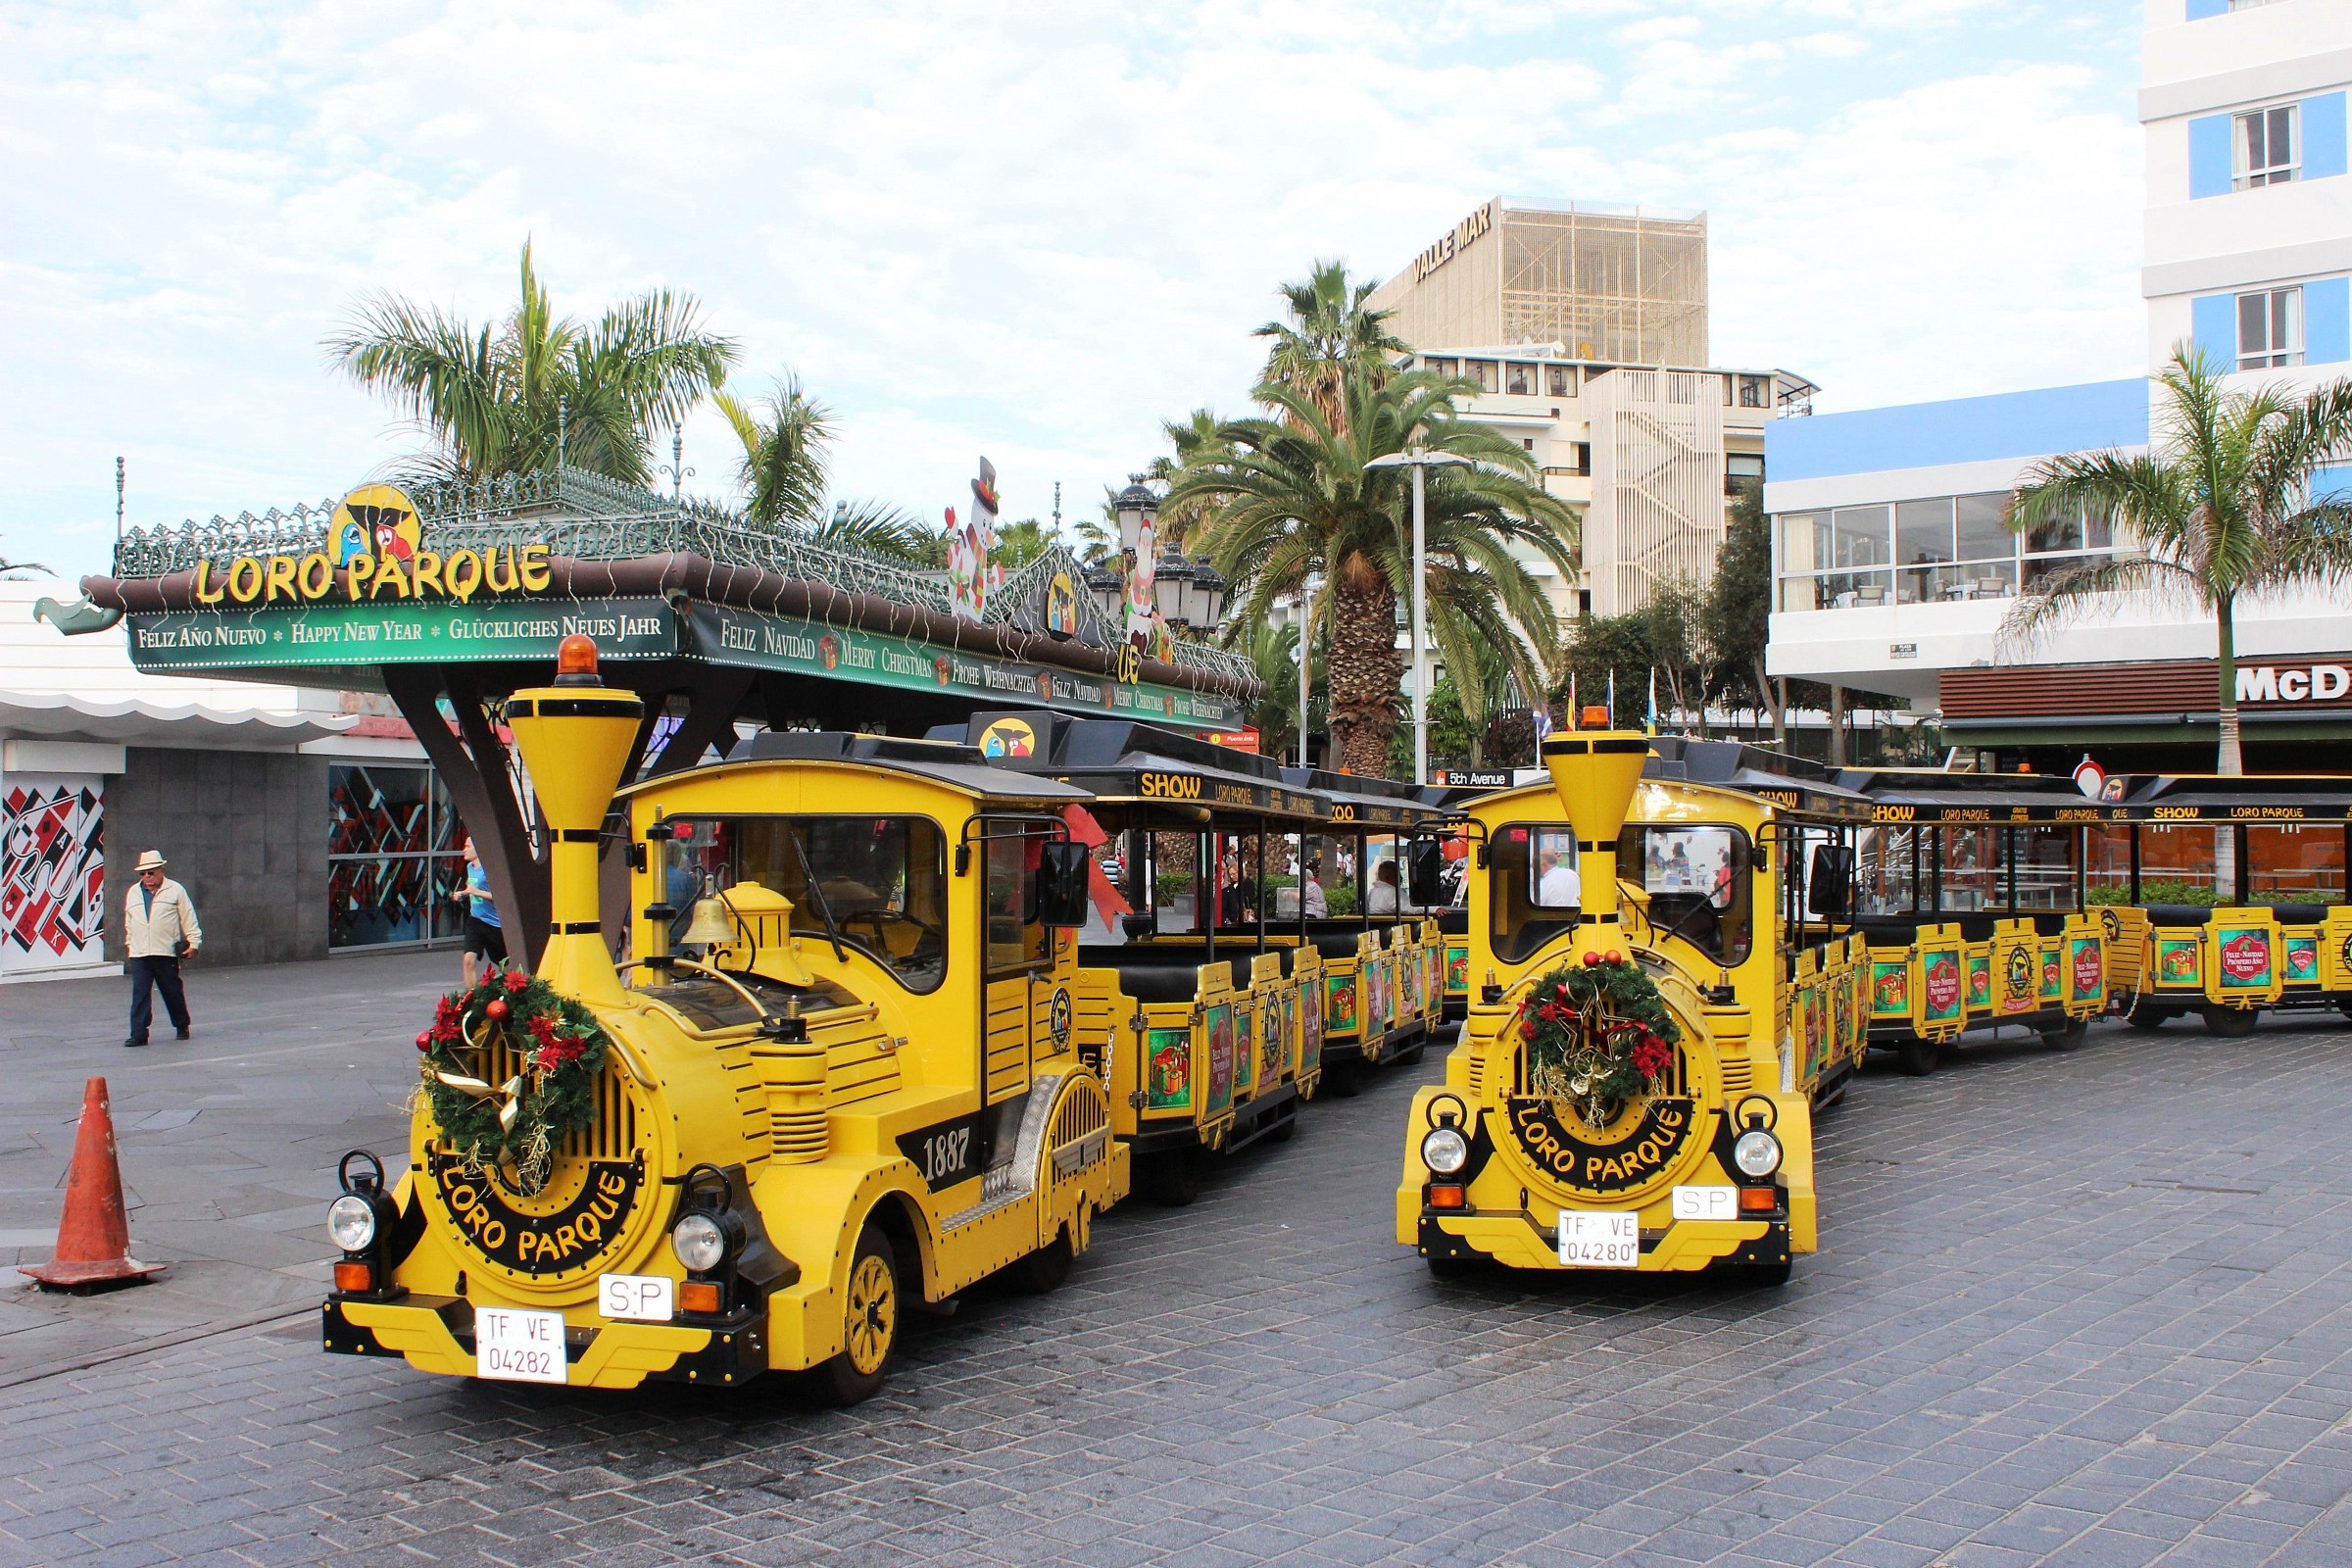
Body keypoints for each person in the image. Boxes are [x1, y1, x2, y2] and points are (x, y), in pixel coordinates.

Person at [122, 850, 201, 1048]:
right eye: (143, 873)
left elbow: (188, 916)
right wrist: (130, 943)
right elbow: (129, 921)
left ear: (161, 870)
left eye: (151, 872)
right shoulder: (133, 892)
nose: (147, 877)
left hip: (165, 951)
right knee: (140, 994)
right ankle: (138, 1034)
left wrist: (193, 942)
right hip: (140, 952)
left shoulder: (175, 890)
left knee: (172, 991)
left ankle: (181, 1025)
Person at [449, 838, 505, 987]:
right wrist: (462, 894)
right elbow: (471, 890)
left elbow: (500, 896)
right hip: (476, 920)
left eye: (467, 846)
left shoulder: (489, 870)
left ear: (478, 848)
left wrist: (476, 892)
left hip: (495, 923)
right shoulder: (469, 867)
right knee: (468, 960)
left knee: (505, 964)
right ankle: (471, 996)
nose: (464, 850)